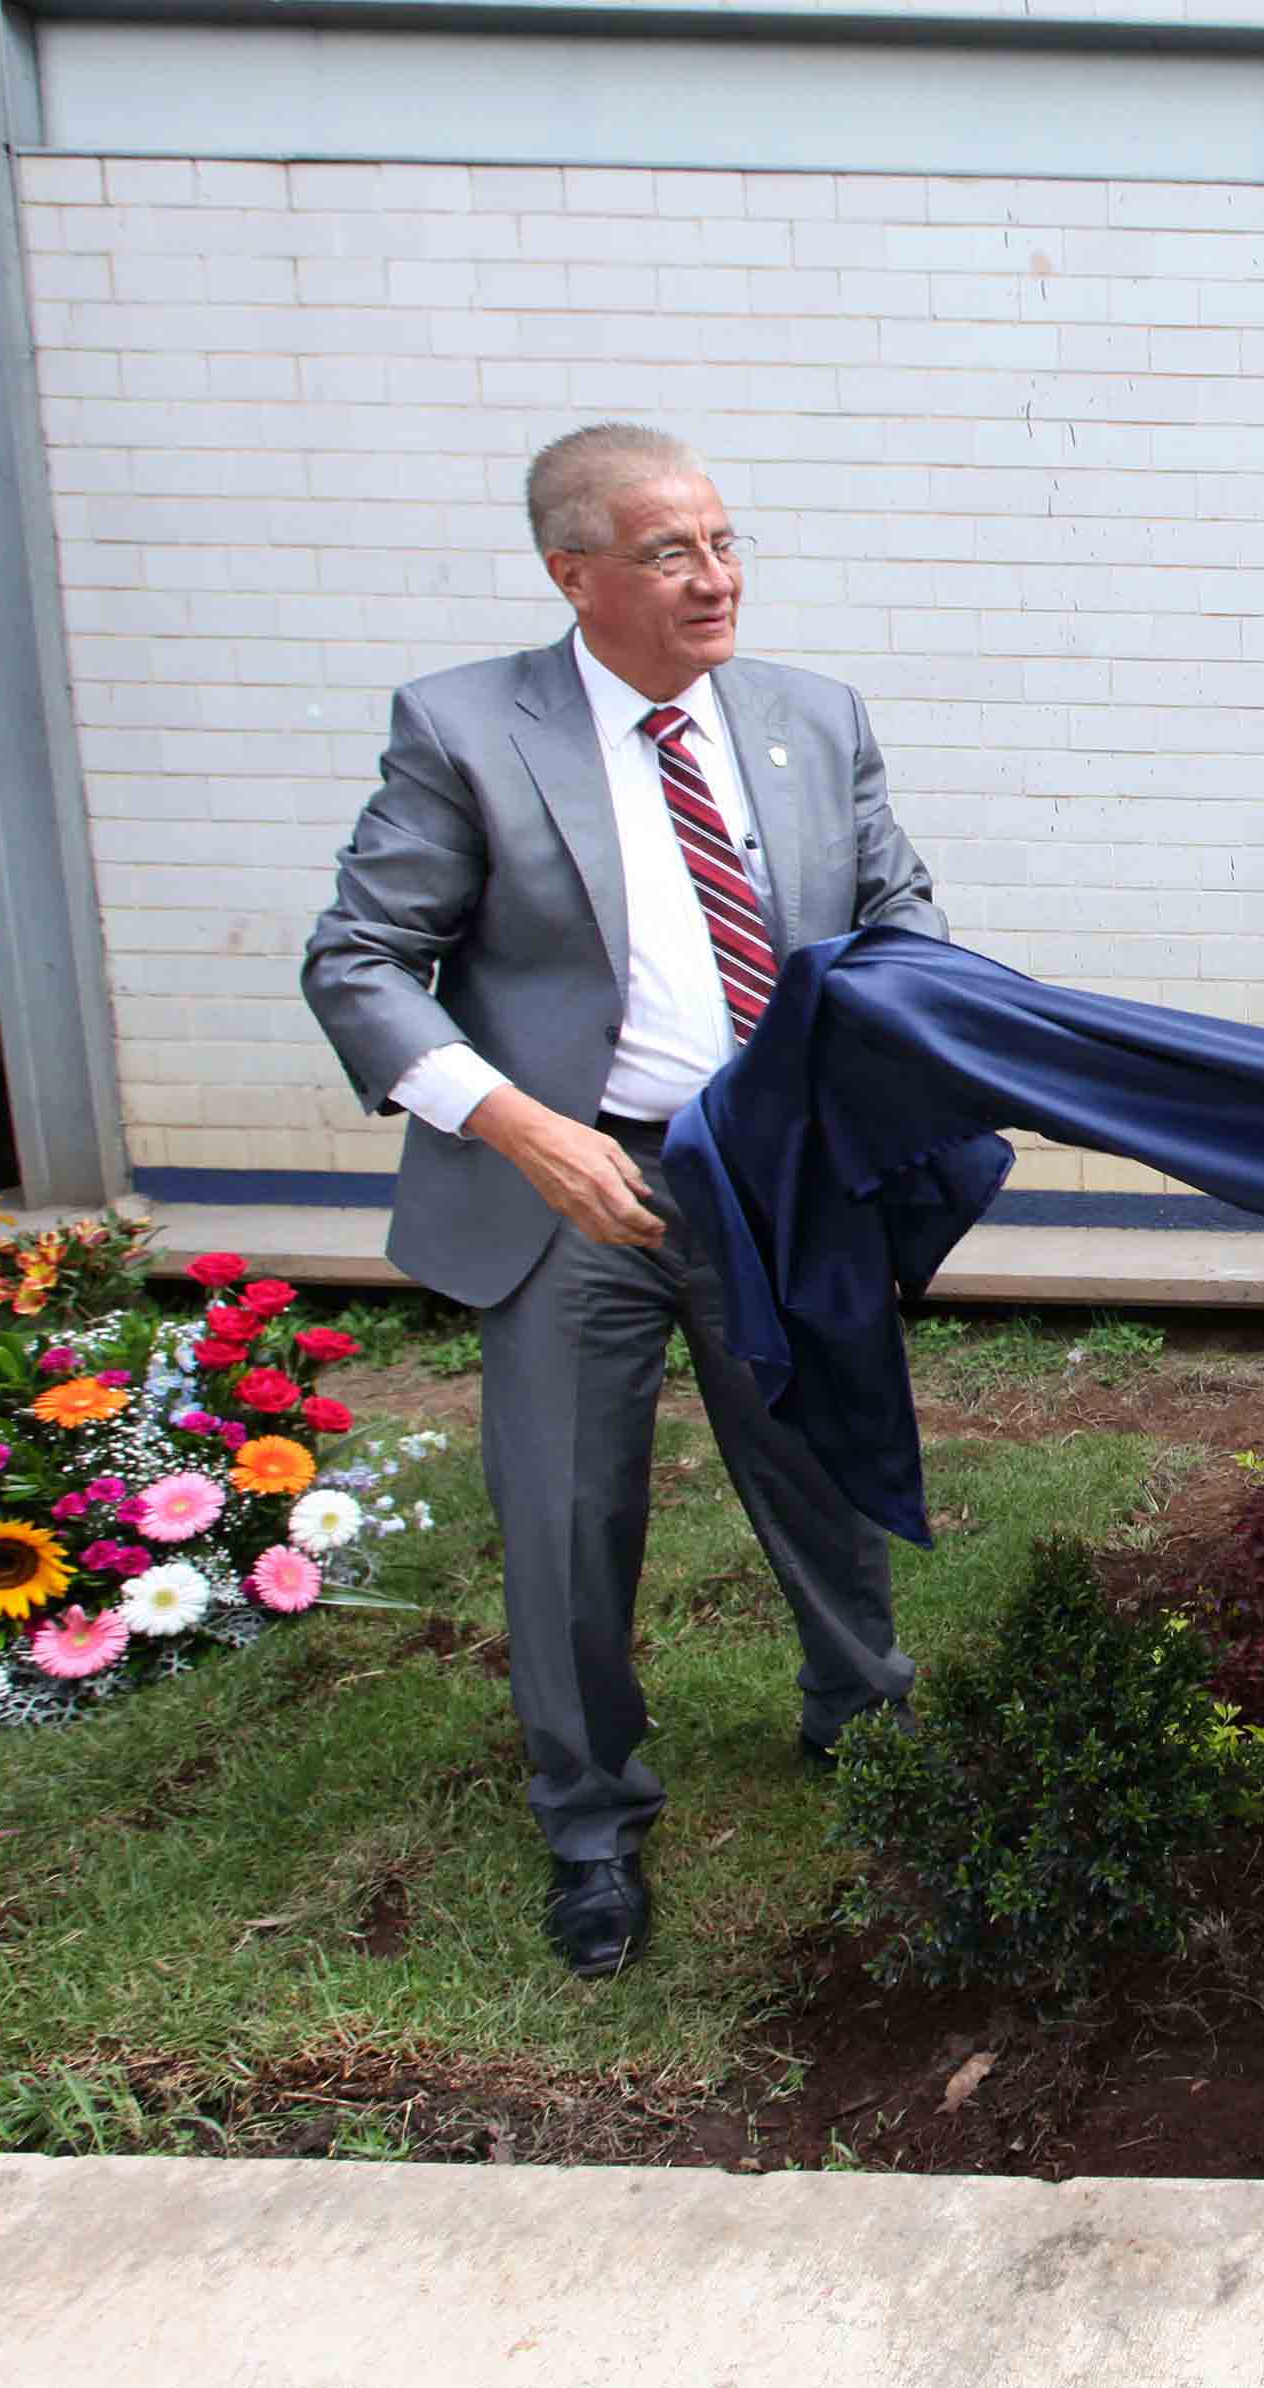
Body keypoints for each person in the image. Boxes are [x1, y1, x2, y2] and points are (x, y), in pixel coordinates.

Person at [302, 424, 943, 1979]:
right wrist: (517, 1126)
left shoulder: (808, 716)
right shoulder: (463, 729)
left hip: (759, 1174)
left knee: (819, 1460)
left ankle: (863, 1722)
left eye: (725, 542)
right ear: (572, 573)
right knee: (568, 1514)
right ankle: (590, 1820)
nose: (716, 579)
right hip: (568, 1183)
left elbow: (898, 917)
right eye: (672, 553)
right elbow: (357, 960)